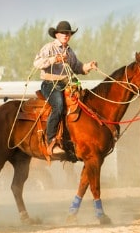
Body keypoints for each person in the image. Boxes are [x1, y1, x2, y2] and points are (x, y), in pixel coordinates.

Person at [33, 20, 98, 154]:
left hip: (65, 84)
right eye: (63, 33)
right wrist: (53, 59)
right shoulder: (49, 48)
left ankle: (71, 140)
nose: (66, 35)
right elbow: (37, 63)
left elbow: (77, 67)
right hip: (50, 84)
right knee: (58, 105)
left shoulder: (69, 51)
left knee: (82, 103)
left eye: (68, 33)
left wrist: (88, 66)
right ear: (56, 35)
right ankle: (51, 141)